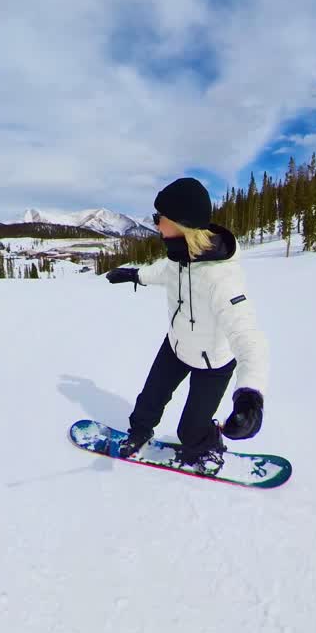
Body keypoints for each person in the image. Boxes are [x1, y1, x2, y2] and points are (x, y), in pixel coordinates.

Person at [104, 176, 269, 473]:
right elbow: (161, 273)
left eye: (159, 218)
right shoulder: (179, 257)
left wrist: (249, 396)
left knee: (190, 432)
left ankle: (210, 443)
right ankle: (140, 432)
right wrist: (134, 275)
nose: (155, 224)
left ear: (180, 223)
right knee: (147, 403)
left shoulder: (221, 278)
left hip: (213, 363)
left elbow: (248, 337)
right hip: (176, 346)